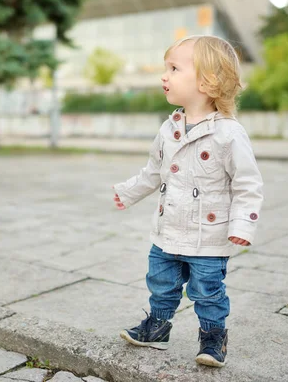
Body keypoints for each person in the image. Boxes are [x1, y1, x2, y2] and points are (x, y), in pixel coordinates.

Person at [112, 35, 264, 368]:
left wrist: (243, 224)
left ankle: (213, 336)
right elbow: (154, 171)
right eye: (166, 68)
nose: (164, 76)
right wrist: (128, 192)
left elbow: (247, 183)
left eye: (174, 68)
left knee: (207, 290)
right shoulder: (169, 129)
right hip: (168, 231)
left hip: (208, 237)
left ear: (208, 80)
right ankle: (157, 328)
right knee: (161, 283)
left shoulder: (228, 133)